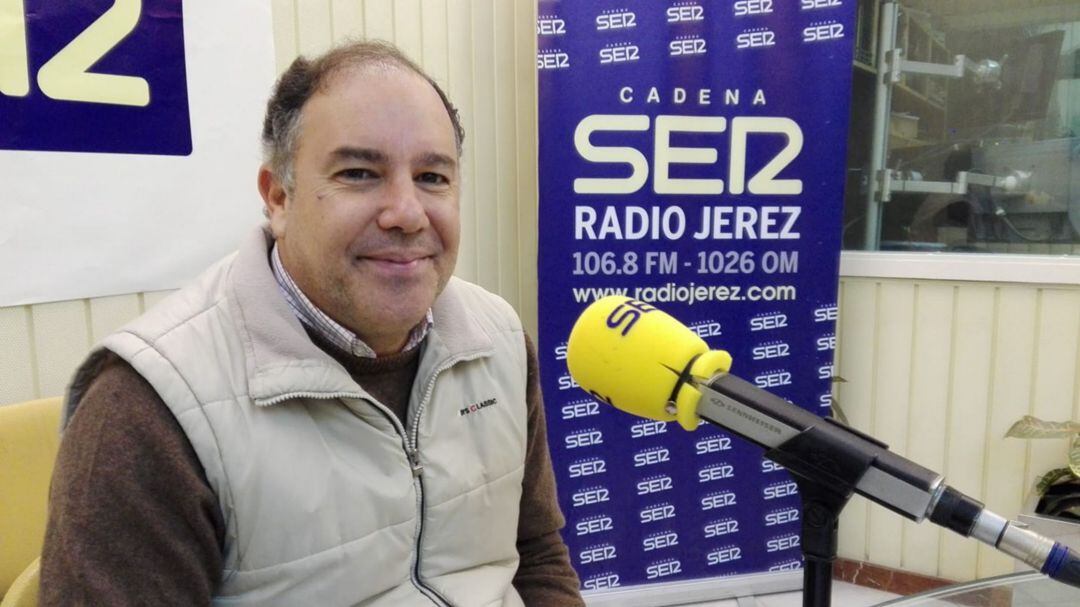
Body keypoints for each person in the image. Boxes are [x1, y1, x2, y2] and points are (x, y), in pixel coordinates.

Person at [41, 40, 584, 606]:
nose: (406, 212)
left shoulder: (496, 340)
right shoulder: (148, 411)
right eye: (358, 173)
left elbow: (536, 555)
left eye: (432, 177)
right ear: (278, 197)